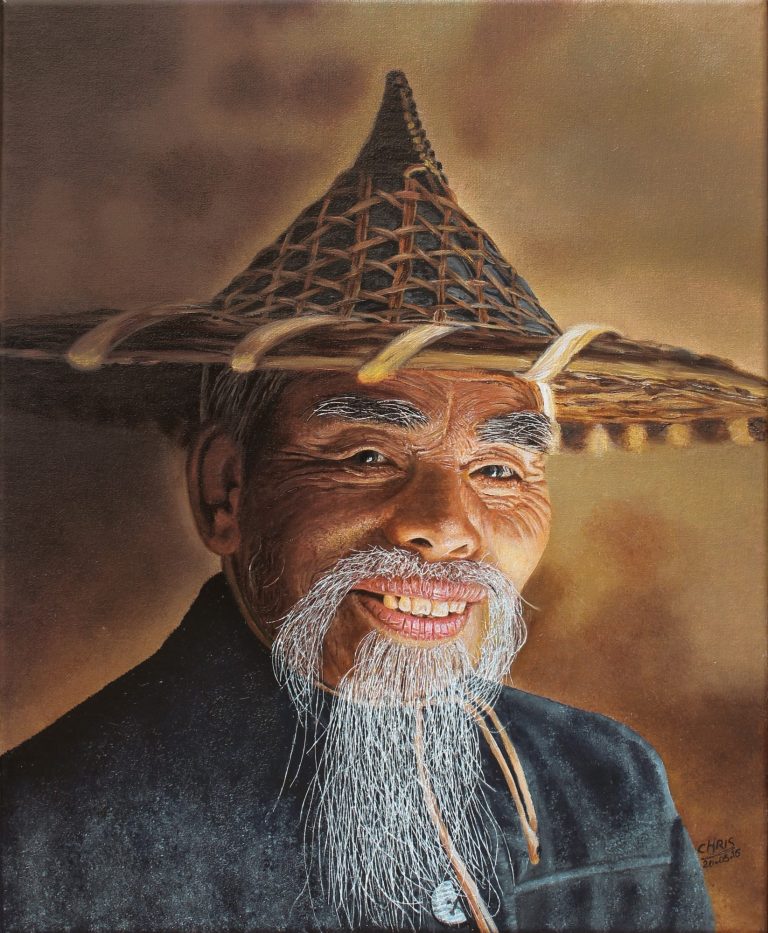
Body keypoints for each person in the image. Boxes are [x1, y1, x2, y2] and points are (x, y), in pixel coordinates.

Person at [3, 69, 763, 933]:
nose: (444, 527)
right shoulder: (43, 843)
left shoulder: (607, 787)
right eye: (367, 453)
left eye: (501, 469)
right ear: (226, 491)